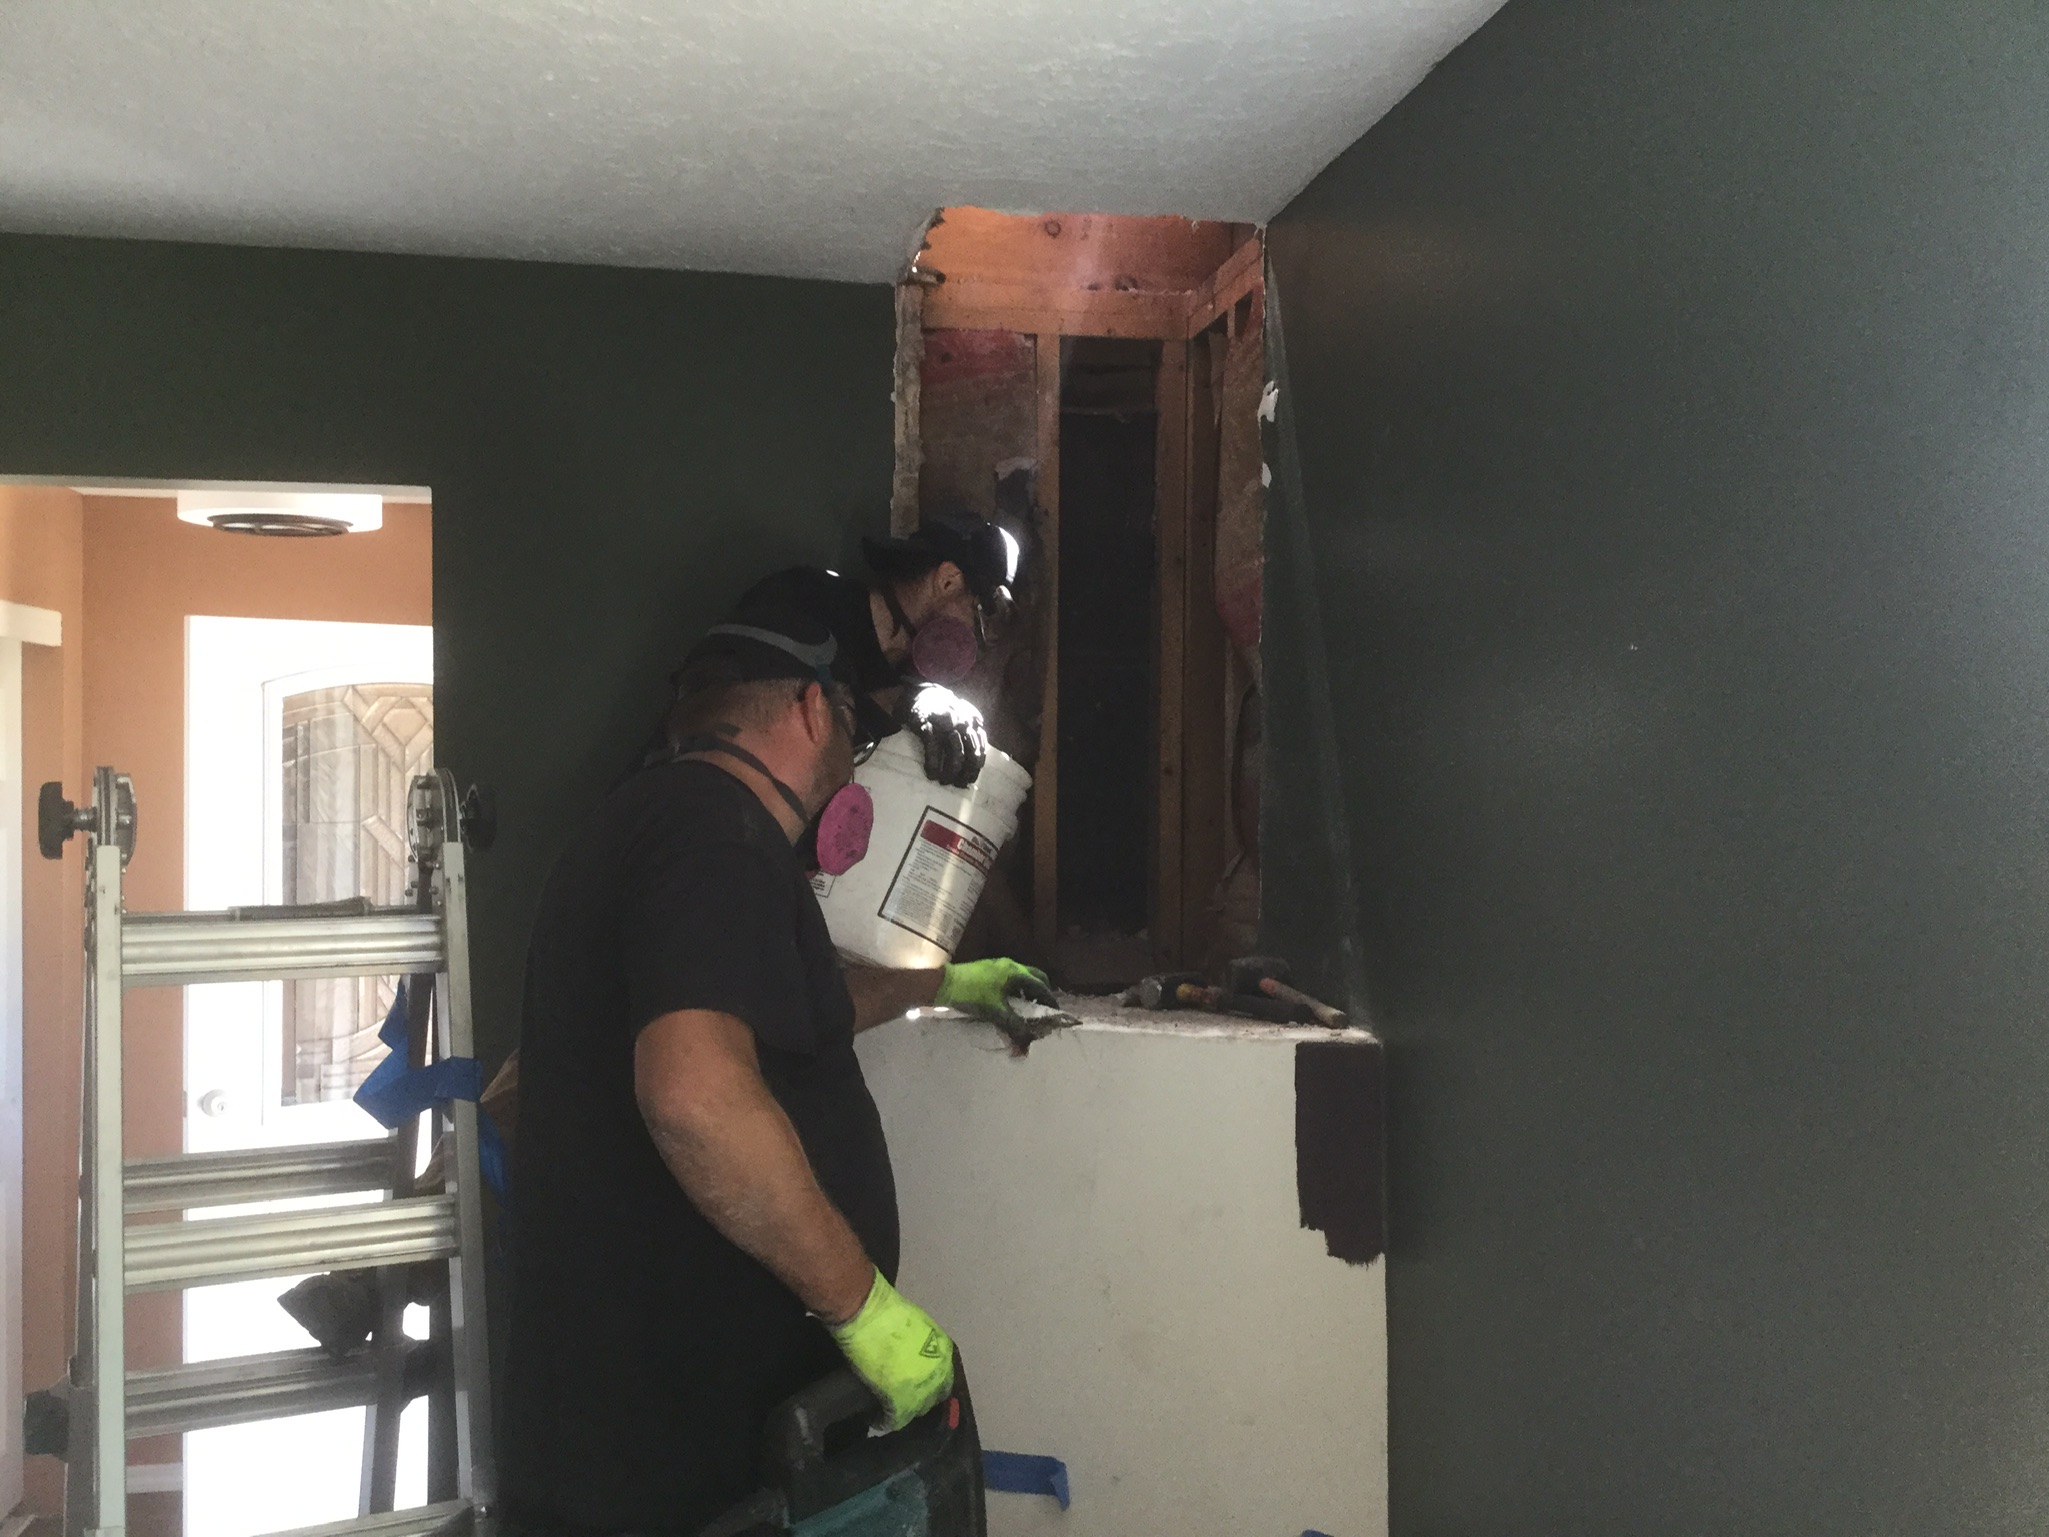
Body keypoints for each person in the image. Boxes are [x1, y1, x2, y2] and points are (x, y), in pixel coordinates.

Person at [502, 600, 1052, 1535]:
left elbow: (802, 1010)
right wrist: (861, 1309)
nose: (856, 752)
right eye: (851, 723)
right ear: (808, 705)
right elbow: (693, 1094)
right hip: (672, 1451)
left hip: (645, 1425)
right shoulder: (712, 831)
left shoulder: (673, 828)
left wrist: (944, 981)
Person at [740, 508, 1023, 788]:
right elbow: (773, 722)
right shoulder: (806, 599)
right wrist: (896, 701)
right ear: (947, 581)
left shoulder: (910, 676)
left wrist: (922, 697)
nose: (974, 642)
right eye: (980, 616)